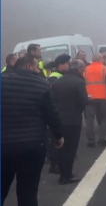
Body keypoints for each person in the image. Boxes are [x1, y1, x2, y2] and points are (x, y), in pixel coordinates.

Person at [1, 56, 64, 206]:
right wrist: (58, 136)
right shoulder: (42, 85)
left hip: (3, 146)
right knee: (28, 192)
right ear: (29, 67)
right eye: (37, 68)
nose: (38, 71)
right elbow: (52, 114)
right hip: (32, 147)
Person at [51, 59, 88, 185]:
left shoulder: (57, 82)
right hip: (73, 121)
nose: (84, 69)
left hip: (59, 120)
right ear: (78, 69)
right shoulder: (79, 82)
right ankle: (67, 175)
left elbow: (52, 100)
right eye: (83, 67)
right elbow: (83, 101)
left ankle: (62, 173)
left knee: (61, 148)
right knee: (70, 149)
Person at [45, 54, 71, 175]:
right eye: (67, 63)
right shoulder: (54, 78)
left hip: (61, 111)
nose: (69, 65)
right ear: (60, 65)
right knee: (55, 138)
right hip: (57, 112)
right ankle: (54, 164)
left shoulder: (60, 76)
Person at [85, 53, 106, 147]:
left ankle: (91, 141)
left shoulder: (86, 69)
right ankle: (102, 139)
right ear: (100, 59)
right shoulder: (105, 68)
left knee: (89, 120)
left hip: (89, 97)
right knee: (104, 118)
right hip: (103, 97)